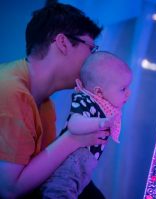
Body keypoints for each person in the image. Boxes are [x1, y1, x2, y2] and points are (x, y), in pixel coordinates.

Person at [0, 3, 110, 198]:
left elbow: (42, 177)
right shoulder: (10, 91)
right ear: (62, 42)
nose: (93, 61)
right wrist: (74, 137)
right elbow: (8, 190)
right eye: (91, 49)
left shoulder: (44, 103)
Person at [40, 51, 132, 198]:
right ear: (99, 93)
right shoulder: (86, 99)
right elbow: (74, 124)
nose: (128, 94)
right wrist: (101, 122)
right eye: (123, 89)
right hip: (71, 161)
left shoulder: (104, 106)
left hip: (85, 165)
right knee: (60, 192)